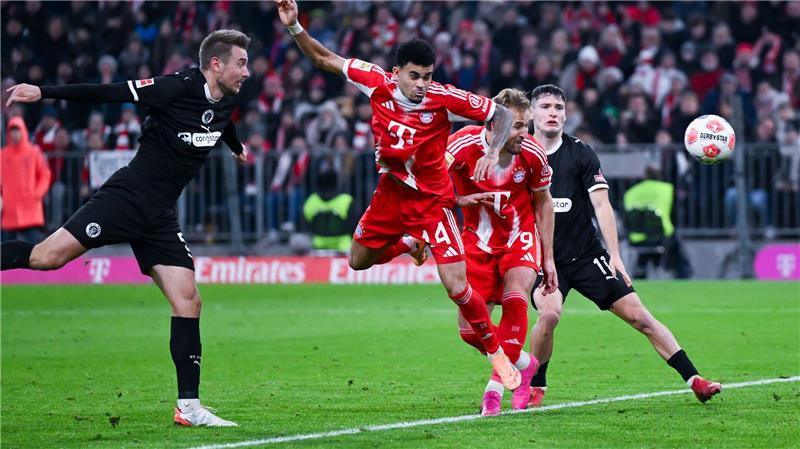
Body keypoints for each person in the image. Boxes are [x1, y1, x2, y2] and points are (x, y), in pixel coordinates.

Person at [2, 29, 251, 427]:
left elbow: (223, 122)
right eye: (241, 63)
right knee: (45, 258)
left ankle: (189, 408)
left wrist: (236, 147)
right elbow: (108, 92)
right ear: (215, 64)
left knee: (188, 301)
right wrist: (44, 93)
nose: (247, 71)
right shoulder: (174, 87)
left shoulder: (228, 97)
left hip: (160, 216)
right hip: (127, 197)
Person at [275, 0, 521, 390]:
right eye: (414, 76)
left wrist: (492, 153)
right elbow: (324, 59)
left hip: (433, 203)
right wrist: (294, 28)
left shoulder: (445, 97)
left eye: (427, 76)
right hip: (390, 197)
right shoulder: (374, 81)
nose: (422, 84)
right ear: (396, 73)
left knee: (457, 286)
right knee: (357, 261)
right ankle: (408, 244)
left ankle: (497, 355)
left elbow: (501, 115)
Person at [525, 84, 721, 408]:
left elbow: (602, 206)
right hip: (543, 259)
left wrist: (615, 256)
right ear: (531, 112)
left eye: (559, 108)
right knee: (550, 314)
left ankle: (694, 379)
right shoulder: (521, 154)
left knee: (640, 317)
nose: (552, 113)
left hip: (587, 255)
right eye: (545, 106)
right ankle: (537, 385)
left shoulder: (581, 153)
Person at [446, 88, 556, 416]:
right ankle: (525, 363)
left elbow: (543, 202)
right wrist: (457, 200)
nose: (524, 133)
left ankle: (495, 389)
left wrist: (548, 257)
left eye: (526, 125)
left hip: (519, 237)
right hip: (476, 243)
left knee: (516, 298)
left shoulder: (533, 154)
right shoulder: (462, 145)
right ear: (494, 124)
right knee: (469, 332)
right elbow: (430, 184)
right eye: (517, 126)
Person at [0, 116, 52, 243]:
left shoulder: (34, 152)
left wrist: (37, 193)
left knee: (34, 249)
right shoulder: (3, 154)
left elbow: (45, 174)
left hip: (30, 208)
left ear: (23, 131)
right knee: (7, 250)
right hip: (10, 210)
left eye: (17, 130)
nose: (15, 134)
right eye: (12, 131)